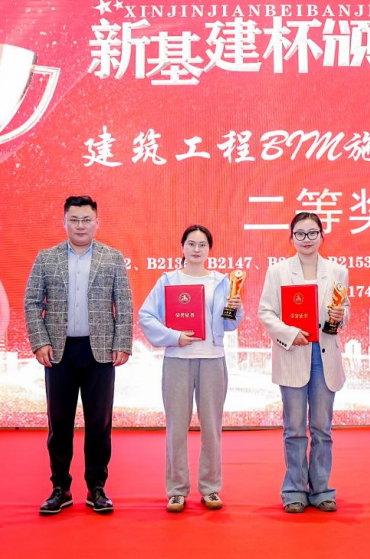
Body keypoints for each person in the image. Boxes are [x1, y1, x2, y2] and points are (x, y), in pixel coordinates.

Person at [24, 195, 132, 515]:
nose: (80, 226)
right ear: (65, 222)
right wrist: (39, 342)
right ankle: (60, 487)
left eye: (86, 220)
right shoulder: (47, 258)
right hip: (59, 352)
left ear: (97, 222)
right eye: (74, 220)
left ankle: (97, 487)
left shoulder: (113, 258)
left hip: (100, 352)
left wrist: (122, 343)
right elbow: (32, 303)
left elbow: (124, 305)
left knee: (99, 423)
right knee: (59, 423)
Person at [139, 225, 244, 513]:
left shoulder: (221, 282)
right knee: (176, 427)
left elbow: (229, 324)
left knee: (212, 427)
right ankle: (176, 490)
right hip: (177, 360)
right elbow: (146, 316)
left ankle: (210, 488)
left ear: (210, 249)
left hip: (212, 359)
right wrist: (174, 337)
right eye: (191, 244)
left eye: (202, 244)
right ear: (182, 247)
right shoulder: (168, 280)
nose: (196, 249)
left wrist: (235, 308)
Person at [258, 212, 350, 513]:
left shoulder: (337, 271)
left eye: (312, 233)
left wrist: (341, 316)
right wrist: (289, 333)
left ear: (322, 236)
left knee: (322, 428)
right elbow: (266, 312)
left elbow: (345, 310)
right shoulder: (278, 272)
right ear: (291, 237)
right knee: (294, 428)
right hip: (293, 353)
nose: (306, 239)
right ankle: (294, 490)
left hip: (324, 356)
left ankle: (322, 489)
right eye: (300, 233)